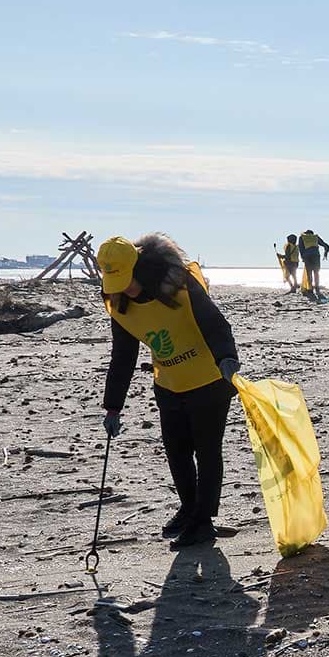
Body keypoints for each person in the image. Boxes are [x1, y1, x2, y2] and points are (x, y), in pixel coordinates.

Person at [97, 233, 243, 549]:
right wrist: (113, 407)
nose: (121, 286)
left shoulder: (179, 285)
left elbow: (216, 324)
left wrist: (227, 358)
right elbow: (123, 355)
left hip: (210, 379)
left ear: (140, 267)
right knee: (176, 451)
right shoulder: (117, 301)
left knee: (206, 452)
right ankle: (190, 508)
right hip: (169, 383)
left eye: (125, 278)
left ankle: (203, 521)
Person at [299, 229, 329, 297]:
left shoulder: (302, 237)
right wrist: (325, 253)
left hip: (307, 256)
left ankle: (310, 289)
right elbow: (326, 246)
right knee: (316, 273)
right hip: (316, 256)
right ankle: (317, 289)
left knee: (309, 273)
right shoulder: (315, 237)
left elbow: (301, 248)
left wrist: (303, 258)